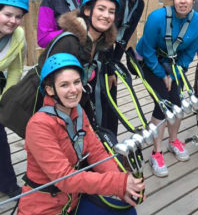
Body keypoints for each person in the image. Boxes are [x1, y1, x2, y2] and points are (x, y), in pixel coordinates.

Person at [18, 53, 144, 215]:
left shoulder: (78, 112)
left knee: (127, 212)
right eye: (64, 85)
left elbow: (97, 153)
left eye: (77, 82)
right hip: (44, 207)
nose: (73, 90)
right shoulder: (39, 126)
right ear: (50, 89)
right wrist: (119, 182)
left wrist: (123, 189)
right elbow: (65, 178)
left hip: (73, 201)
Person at [19, 0, 120, 135]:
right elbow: (50, 83)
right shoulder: (69, 41)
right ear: (87, 11)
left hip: (69, 101)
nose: (106, 15)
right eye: (101, 9)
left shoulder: (97, 42)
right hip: (43, 107)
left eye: (111, 12)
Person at [136, 0, 198, 177]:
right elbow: (147, 49)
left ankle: (173, 140)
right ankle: (156, 152)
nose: (182, 1)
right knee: (163, 103)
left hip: (173, 63)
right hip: (149, 61)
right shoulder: (157, 18)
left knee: (177, 102)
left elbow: (189, 52)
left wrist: (174, 74)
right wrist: (160, 74)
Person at [0, 0, 29, 198]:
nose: (13, 20)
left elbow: (16, 68)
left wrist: (4, 101)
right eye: (7, 14)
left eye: (18, 16)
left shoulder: (18, 35)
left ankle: (8, 184)